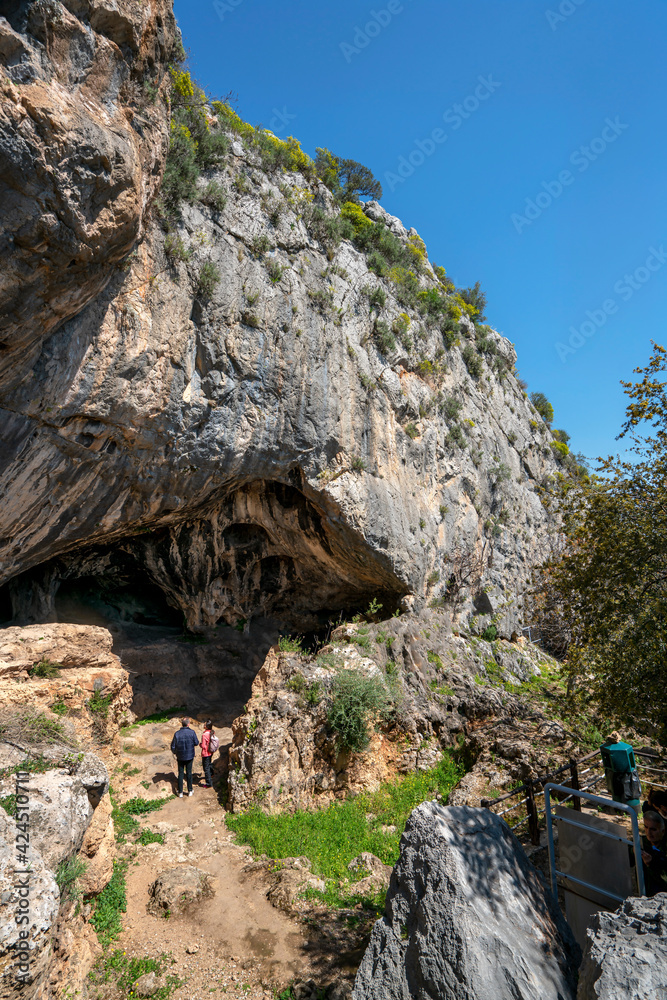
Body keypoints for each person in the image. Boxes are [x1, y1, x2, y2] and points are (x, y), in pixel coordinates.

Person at [640, 811, 667, 897]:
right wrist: (633, 851)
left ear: (663, 831)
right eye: (646, 827)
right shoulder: (642, 843)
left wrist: (651, 864)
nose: (648, 832)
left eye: (653, 829)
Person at [170, 717, 199, 797]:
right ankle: (190, 790)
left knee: (180, 774)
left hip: (180, 756)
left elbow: (172, 746)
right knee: (189, 773)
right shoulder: (192, 732)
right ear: (188, 724)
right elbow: (196, 743)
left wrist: (175, 752)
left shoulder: (177, 733)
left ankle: (180, 792)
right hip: (189, 756)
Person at [200, 719, 216, 788]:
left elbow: (203, 746)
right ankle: (212, 773)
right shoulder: (212, 732)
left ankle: (209, 783)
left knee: (205, 768)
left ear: (206, 726)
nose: (203, 725)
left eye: (204, 724)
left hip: (205, 753)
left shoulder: (204, 735)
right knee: (209, 763)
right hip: (211, 751)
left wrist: (200, 744)